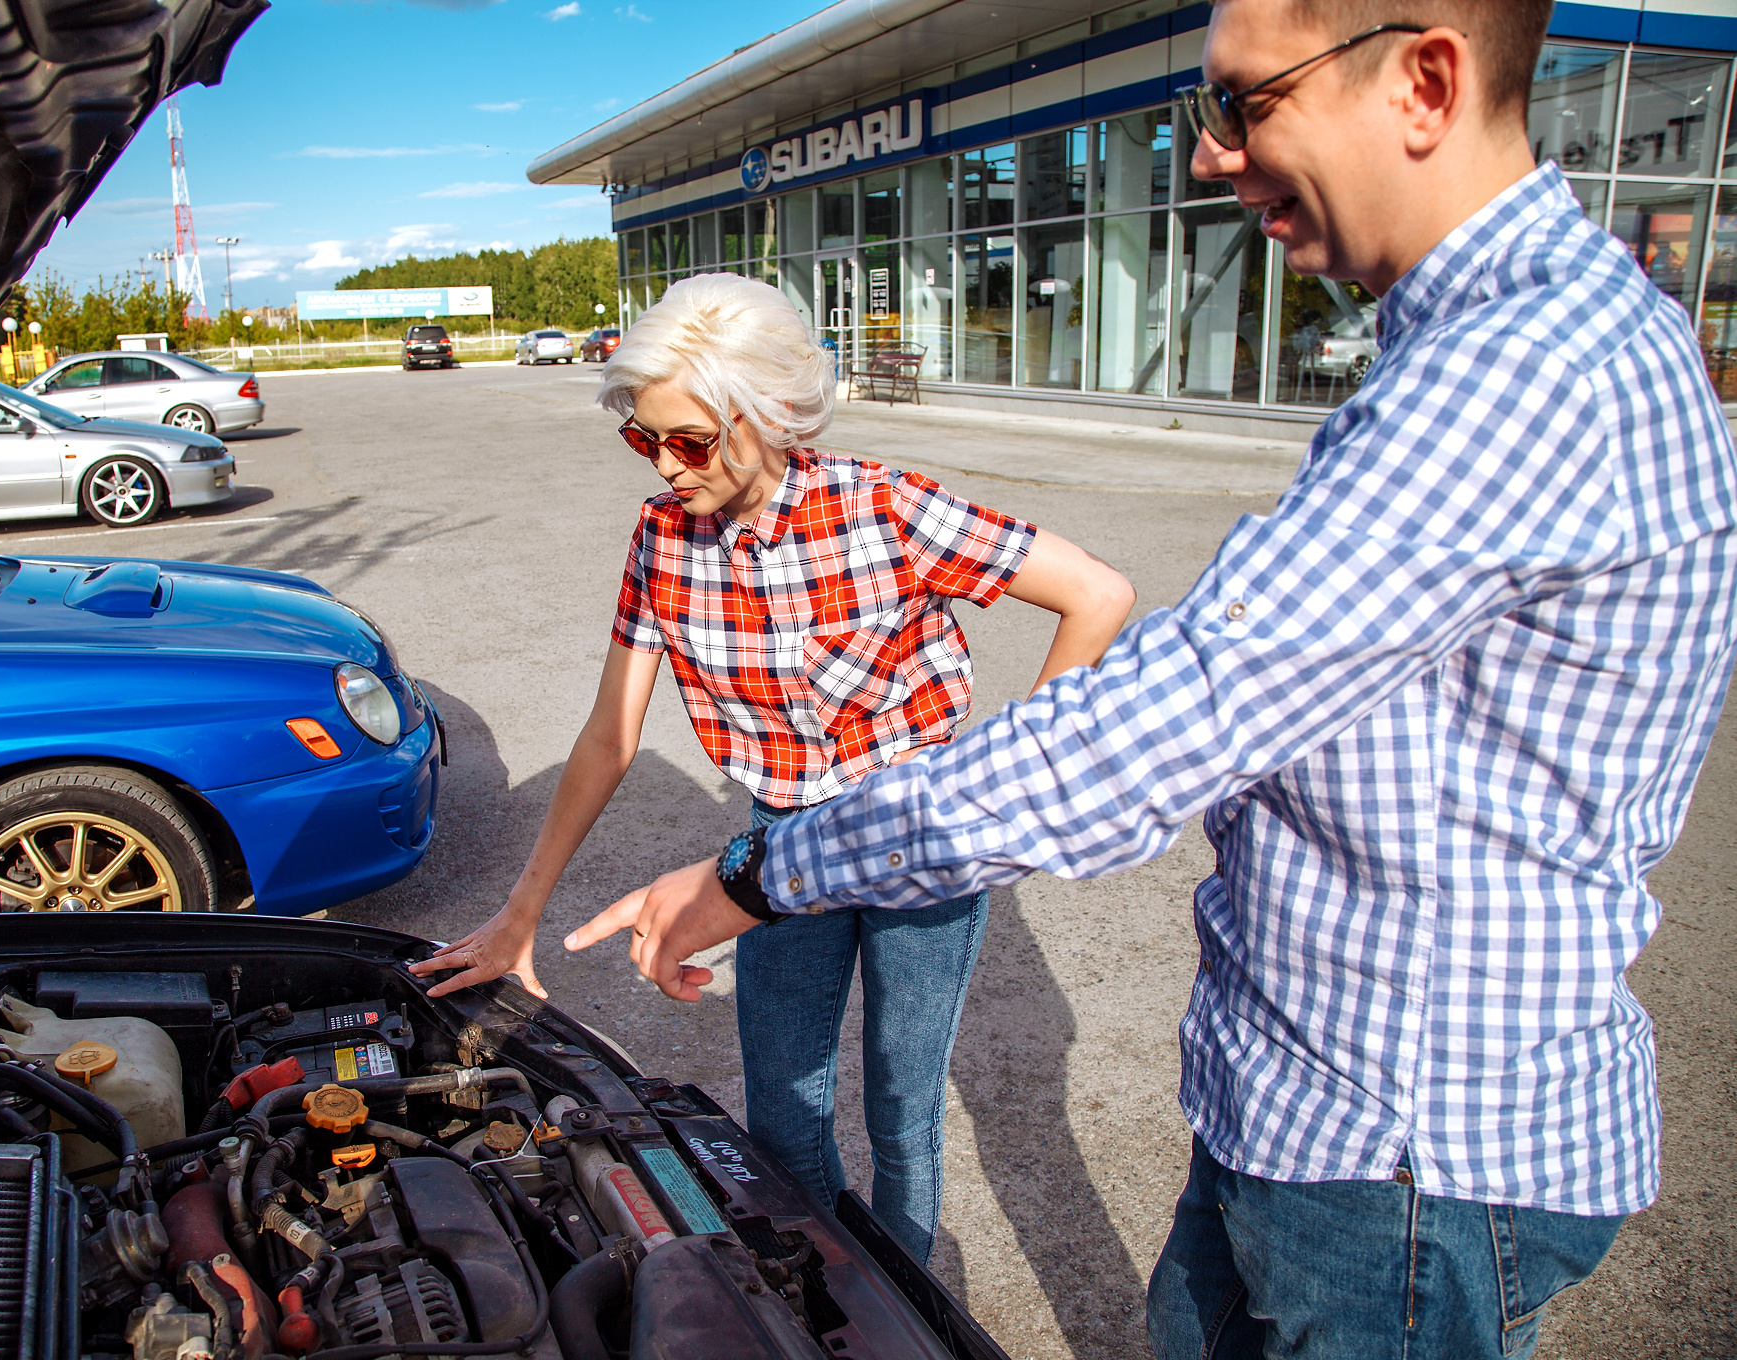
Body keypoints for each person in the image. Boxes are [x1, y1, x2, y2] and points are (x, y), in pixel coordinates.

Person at [564, 4, 1737, 1358]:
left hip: (1403, 1157)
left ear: (1422, 82)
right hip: (1309, 1117)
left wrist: (751, 874)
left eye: (1244, 104)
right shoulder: (1478, 346)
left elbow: (1155, 725)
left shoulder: (1524, 371)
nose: (1203, 157)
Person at [410, 271, 1136, 1262]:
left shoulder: (885, 506)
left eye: (689, 440)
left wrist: (1006, 783)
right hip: (781, 843)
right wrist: (518, 912)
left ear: (763, 416)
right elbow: (608, 736)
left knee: (898, 1106)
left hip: (918, 839)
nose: (665, 465)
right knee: (783, 1111)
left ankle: (901, 1296)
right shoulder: (662, 539)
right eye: (643, 437)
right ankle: (814, 1288)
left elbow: (1096, 593)